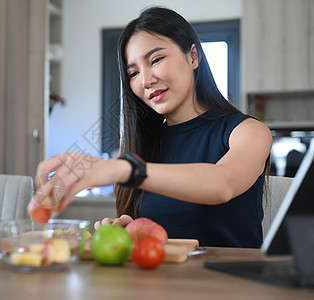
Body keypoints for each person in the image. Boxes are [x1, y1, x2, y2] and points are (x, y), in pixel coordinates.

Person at [28, 6, 272, 248]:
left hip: (232, 283)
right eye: (133, 73)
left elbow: (223, 184)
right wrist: (131, 231)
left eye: (156, 59)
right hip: (160, 283)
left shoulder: (248, 131)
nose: (146, 81)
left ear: (193, 56)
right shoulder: (145, 144)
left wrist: (125, 169)